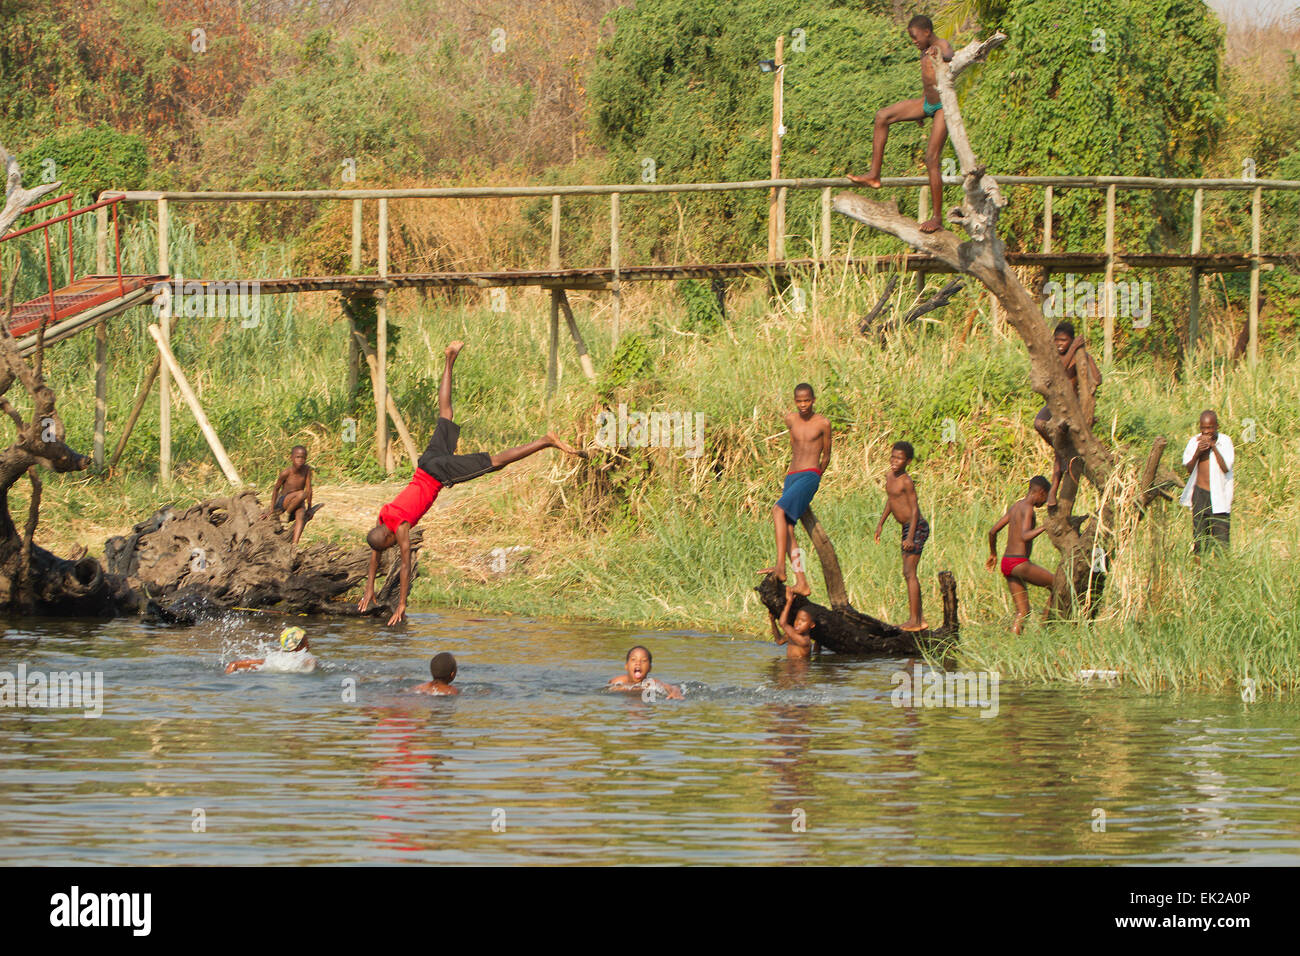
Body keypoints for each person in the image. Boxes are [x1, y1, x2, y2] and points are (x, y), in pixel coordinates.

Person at [358, 341, 585, 625]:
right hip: (426, 464)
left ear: (388, 536)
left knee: (494, 462)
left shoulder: (401, 528)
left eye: (388, 544)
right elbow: (374, 552)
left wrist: (402, 603)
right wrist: (369, 588)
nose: (389, 546)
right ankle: (449, 360)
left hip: (439, 472)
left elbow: (404, 565)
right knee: (446, 414)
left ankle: (544, 442)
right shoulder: (384, 515)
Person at [847, 15, 955, 233]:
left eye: (915, 37)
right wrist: (920, 114)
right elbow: (929, 80)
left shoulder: (940, 44)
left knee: (931, 158)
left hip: (944, 106)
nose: (914, 41)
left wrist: (940, 54)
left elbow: (951, 54)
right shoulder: (924, 49)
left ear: (926, 32)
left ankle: (937, 218)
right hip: (928, 103)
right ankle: (874, 175)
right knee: (882, 117)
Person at [759, 382, 832, 595]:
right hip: (792, 476)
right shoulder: (790, 420)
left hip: (810, 475)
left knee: (777, 510)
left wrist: (817, 474)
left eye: (807, 400)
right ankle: (802, 581)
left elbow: (826, 454)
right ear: (795, 401)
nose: (803, 405)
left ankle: (780, 567)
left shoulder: (823, 423)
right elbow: (795, 446)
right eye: (799, 401)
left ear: (814, 400)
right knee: (788, 528)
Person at [1032, 322, 1102, 507]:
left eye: (1063, 340)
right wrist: (1073, 350)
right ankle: (1061, 448)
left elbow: (1098, 379)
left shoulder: (1080, 356)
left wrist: (1084, 357)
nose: (1059, 344)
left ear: (1071, 340)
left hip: (1073, 408)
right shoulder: (1054, 356)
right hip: (1056, 405)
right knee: (1039, 422)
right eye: (1056, 340)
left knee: (1058, 454)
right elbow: (1059, 371)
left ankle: (1054, 492)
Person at [986, 476, 1053, 634]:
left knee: (1023, 611)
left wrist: (993, 554)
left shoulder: (1016, 506)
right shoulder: (1028, 508)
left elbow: (992, 531)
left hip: (1006, 562)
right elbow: (1025, 535)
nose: (1044, 502)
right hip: (1019, 563)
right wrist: (1045, 526)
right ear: (1041, 493)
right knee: (1057, 584)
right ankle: (1043, 630)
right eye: (1046, 497)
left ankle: (1014, 644)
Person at [874, 440, 929, 631]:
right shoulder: (889, 476)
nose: (894, 461)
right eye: (893, 456)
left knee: (909, 572)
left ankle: (916, 621)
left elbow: (915, 511)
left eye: (899, 458)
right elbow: (891, 500)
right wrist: (881, 523)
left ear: (908, 462)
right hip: (906, 528)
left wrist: (910, 537)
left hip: (916, 527)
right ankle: (918, 620)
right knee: (907, 573)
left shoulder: (906, 481)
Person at [1179, 409, 1234, 556]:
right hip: (1200, 495)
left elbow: (1225, 468)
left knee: (1222, 544)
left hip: (1220, 497)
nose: (1206, 432)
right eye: (1203, 428)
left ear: (1217, 426)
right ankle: (1199, 573)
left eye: (1209, 428)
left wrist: (1213, 447)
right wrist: (1198, 452)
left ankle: (1222, 574)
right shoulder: (1194, 442)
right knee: (1200, 542)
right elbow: (1189, 469)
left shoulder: (1225, 441)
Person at [264, 444, 319, 546]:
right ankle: (286, 514)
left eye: (303, 458)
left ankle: (295, 544)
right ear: (291, 458)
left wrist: (310, 508)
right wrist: (271, 509)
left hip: (298, 501)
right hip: (284, 501)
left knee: (301, 514)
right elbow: (276, 489)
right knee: (302, 494)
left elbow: (309, 489)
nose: (300, 460)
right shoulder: (286, 472)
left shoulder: (306, 470)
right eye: (297, 457)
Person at [225, 626, 317, 673]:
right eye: (306, 641)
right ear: (300, 645)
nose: (309, 644)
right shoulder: (305, 657)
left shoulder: (275, 659)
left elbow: (234, 664)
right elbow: (312, 664)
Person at [607, 645, 683, 700]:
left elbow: (673, 687)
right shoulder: (618, 681)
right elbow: (608, 689)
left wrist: (676, 692)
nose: (638, 663)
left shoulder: (652, 683)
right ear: (626, 666)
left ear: (650, 668)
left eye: (643, 660)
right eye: (633, 659)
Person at [769, 587, 817, 659]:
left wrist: (789, 602)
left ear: (812, 625)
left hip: (798, 669)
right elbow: (779, 641)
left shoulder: (803, 640)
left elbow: (783, 623)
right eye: (797, 619)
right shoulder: (792, 634)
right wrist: (772, 621)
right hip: (790, 667)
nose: (798, 623)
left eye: (803, 621)